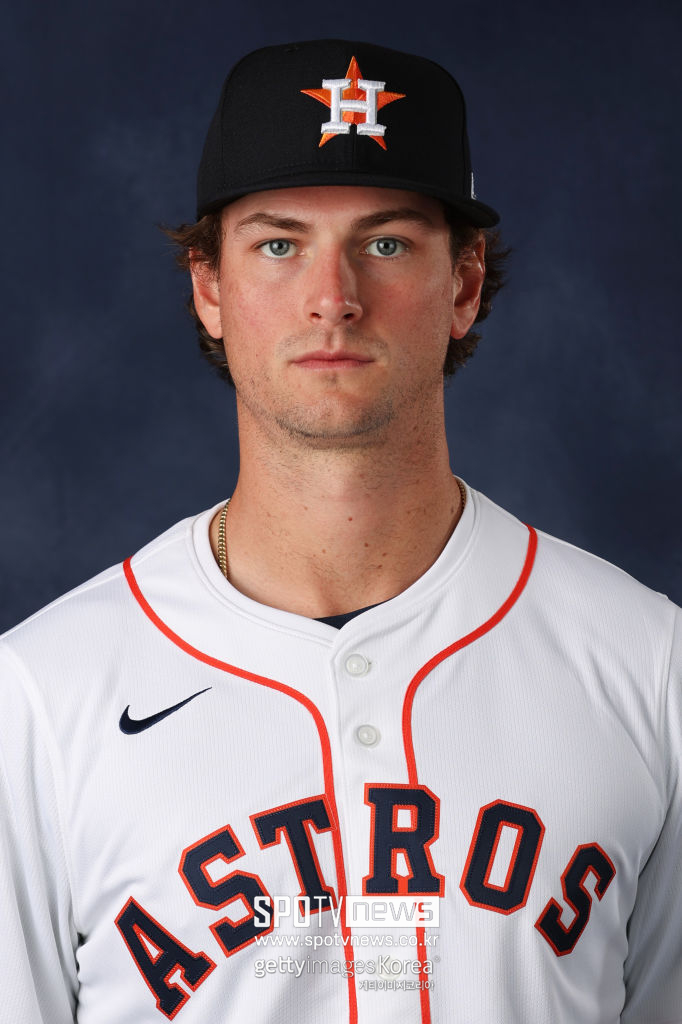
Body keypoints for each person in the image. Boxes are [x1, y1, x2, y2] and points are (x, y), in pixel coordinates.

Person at [1, 38, 680, 1024]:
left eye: (387, 243)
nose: (334, 298)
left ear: (464, 284)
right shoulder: (39, 697)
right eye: (278, 244)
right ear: (209, 287)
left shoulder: (649, 667)